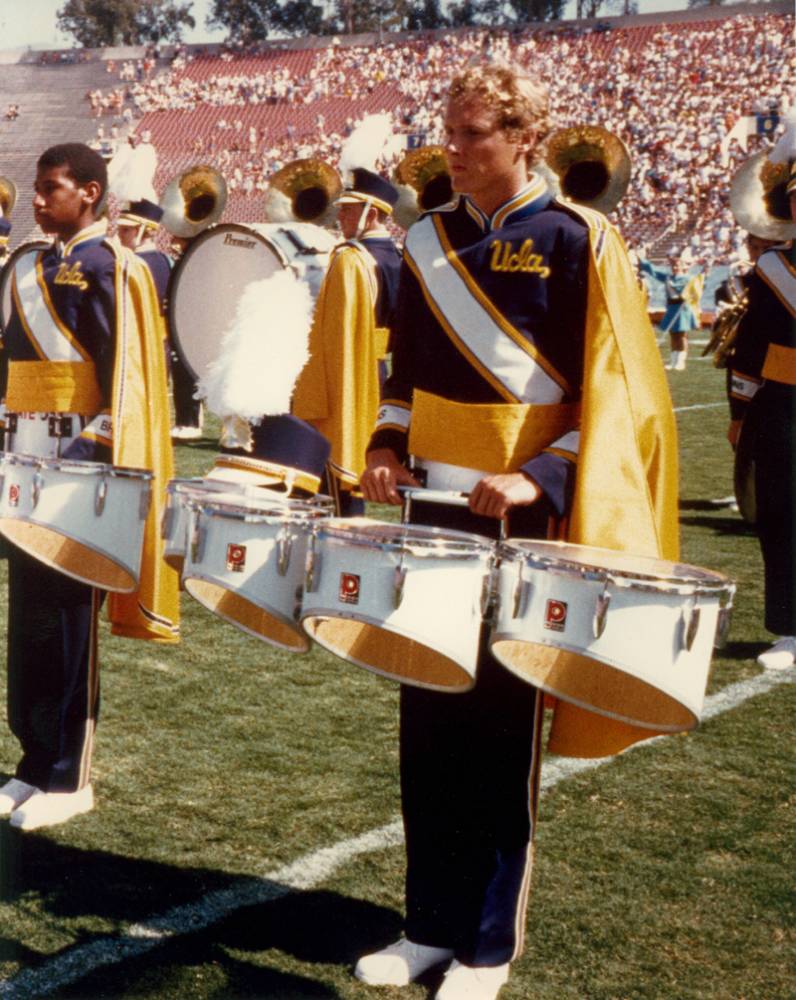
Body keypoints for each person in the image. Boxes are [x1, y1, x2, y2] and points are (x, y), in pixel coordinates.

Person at [358, 62, 678, 1000]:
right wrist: (385, 443)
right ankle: (427, 925)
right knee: (428, 719)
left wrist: (537, 475)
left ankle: (487, 947)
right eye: (449, 134)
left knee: (499, 733)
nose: (452, 151)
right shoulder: (425, 239)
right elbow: (403, 369)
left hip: (522, 519)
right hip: (430, 512)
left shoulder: (579, 238)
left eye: (472, 136)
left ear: (522, 139)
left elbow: (615, 397)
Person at [0, 143, 179, 831]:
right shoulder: (27, 265)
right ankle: (31, 761)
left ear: (92, 193)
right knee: (32, 620)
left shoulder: (115, 265)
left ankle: (71, 774)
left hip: (77, 462)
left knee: (72, 621)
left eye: (52, 188)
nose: (39, 199)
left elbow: (127, 374)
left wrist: (88, 450)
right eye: (36, 188)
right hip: (23, 457)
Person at [292, 168, 401, 515]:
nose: (340, 216)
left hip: (345, 376)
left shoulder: (350, 259)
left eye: (348, 210)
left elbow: (332, 339)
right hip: (378, 371)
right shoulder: (398, 256)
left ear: (372, 212)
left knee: (335, 474)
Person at [728, 162, 796, 671]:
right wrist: (740, 411)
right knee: (782, 513)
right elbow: (749, 349)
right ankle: (790, 628)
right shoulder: (773, 270)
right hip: (785, 405)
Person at [639, 254, 704, 370]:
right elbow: (653, 270)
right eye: (673, 265)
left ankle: (681, 361)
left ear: (683, 266)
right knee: (673, 335)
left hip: (683, 309)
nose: (675, 268)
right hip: (671, 308)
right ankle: (673, 361)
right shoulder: (668, 277)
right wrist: (640, 259)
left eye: (677, 265)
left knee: (681, 335)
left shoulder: (689, 279)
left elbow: (697, 291)